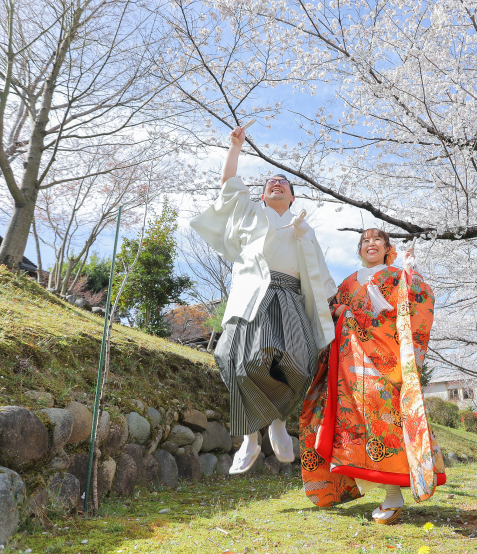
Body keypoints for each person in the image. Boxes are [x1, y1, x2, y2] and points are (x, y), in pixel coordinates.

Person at [191, 126, 336, 474]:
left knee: (301, 364)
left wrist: (336, 305)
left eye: (284, 183)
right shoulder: (250, 213)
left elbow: (321, 277)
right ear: (262, 195)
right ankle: (252, 437)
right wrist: (235, 147)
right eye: (271, 182)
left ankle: (276, 422)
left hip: (288, 298)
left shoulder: (304, 228)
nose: (277, 183)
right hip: (253, 294)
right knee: (233, 358)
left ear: (292, 197)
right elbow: (228, 186)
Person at [299, 228, 446, 524]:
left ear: (387, 247)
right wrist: (343, 310)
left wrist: (410, 275)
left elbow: (419, 300)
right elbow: (328, 308)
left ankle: (393, 494)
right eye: (365, 241)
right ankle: (368, 488)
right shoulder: (349, 282)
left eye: (377, 240)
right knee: (354, 425)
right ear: (359, 250)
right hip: (350, 364)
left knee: (387, 421)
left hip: (386, 361)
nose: (371, 244)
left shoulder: (396, 275)